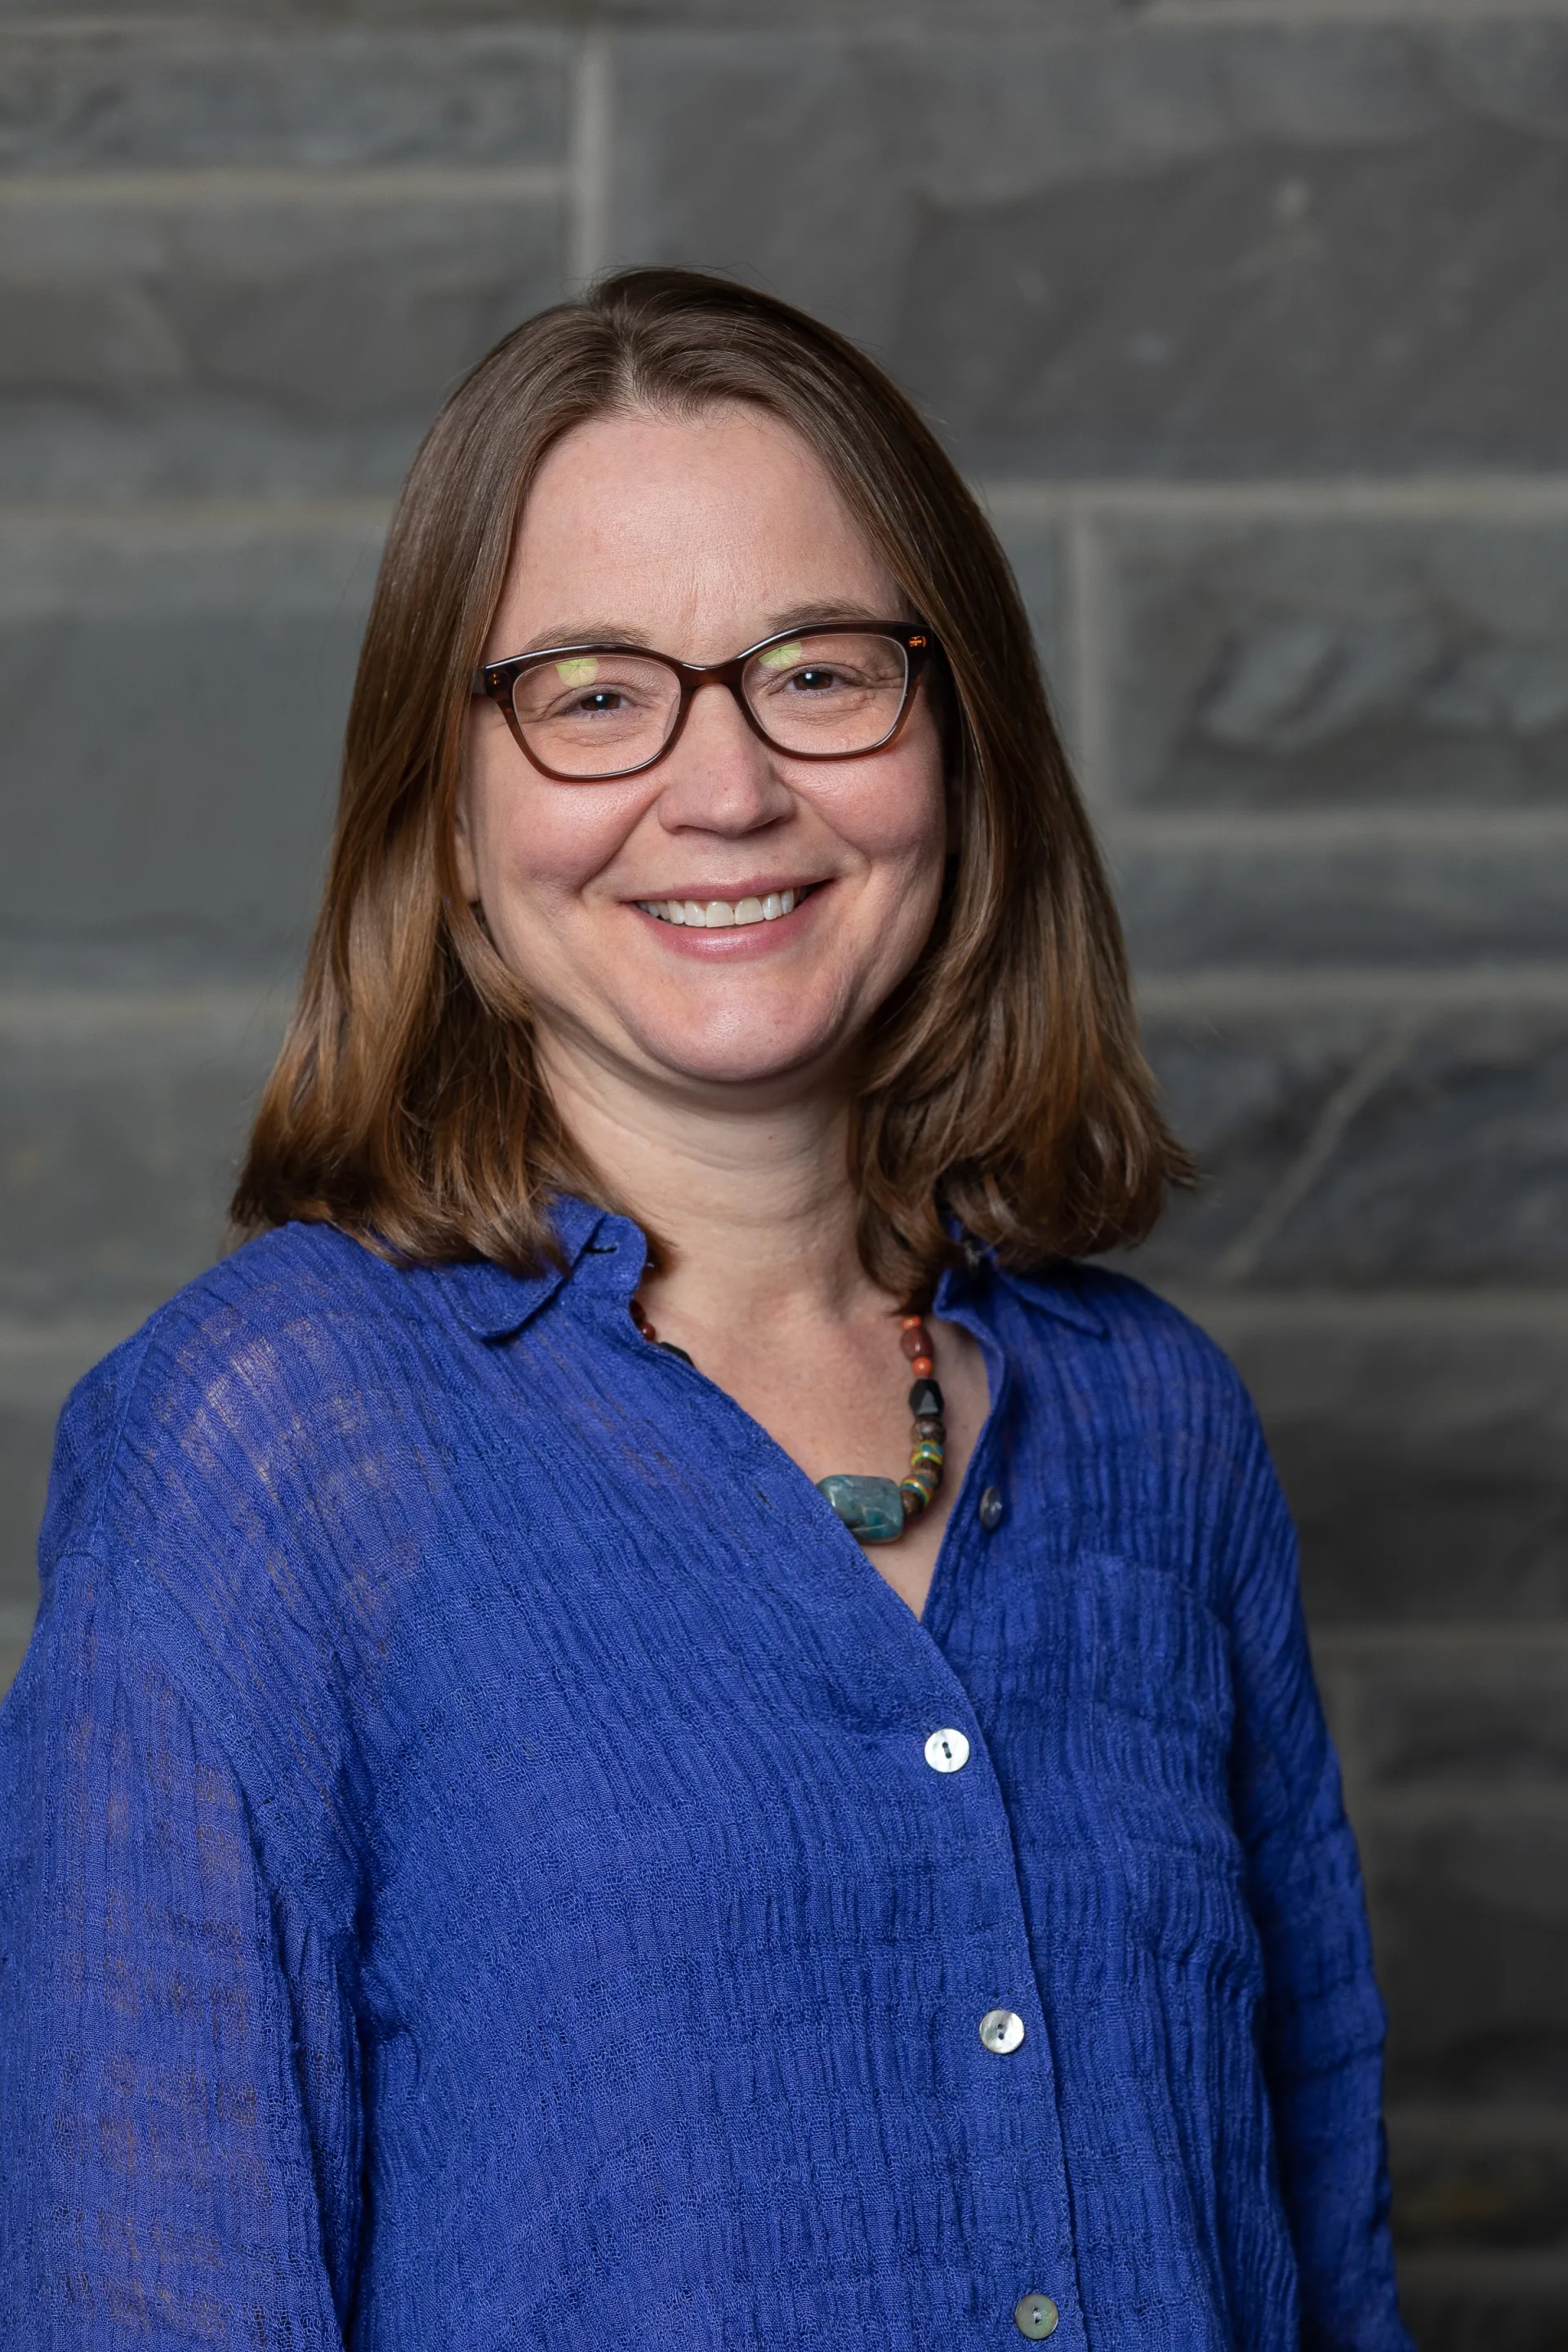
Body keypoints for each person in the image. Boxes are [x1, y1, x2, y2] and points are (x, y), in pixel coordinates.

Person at [0, 269, 1410, 2350]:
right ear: (451, 818)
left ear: (958, 739)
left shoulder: (1157, 1431)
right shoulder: (266, 1453)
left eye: (819, 671)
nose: (728, 786)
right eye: (590, 692)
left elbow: (1320, 2258)